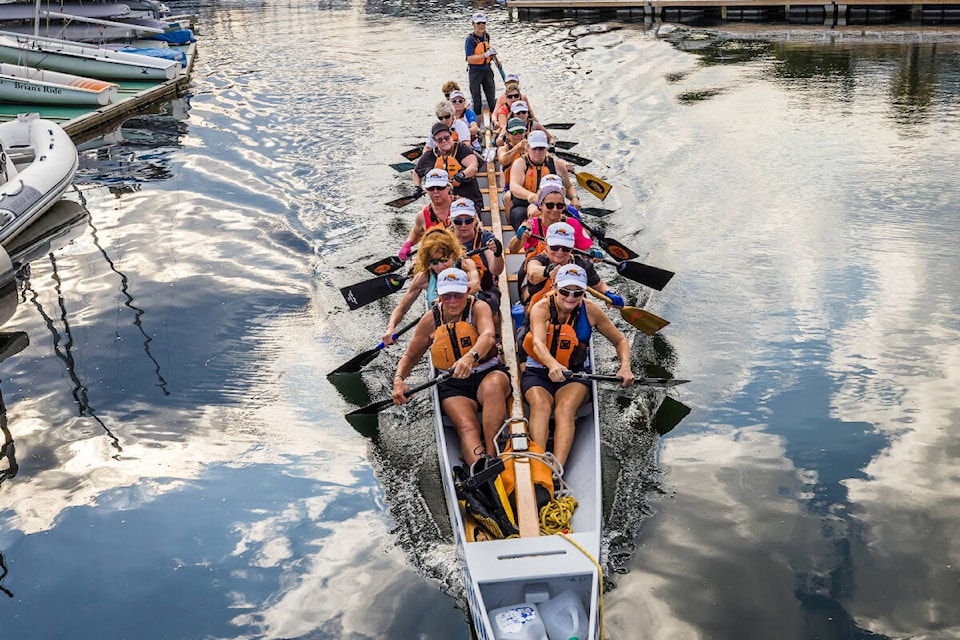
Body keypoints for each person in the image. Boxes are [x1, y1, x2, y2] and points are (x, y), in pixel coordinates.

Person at [392, 267, 511, 464]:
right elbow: (411, 356)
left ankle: (492, 456)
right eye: (447, 296)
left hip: (487, 372)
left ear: (467, 291)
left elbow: (488, 335)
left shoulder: (479, 308)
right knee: (467, 426)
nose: (453, 301)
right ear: (439, 295)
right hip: (452, 382)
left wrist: (469, 358)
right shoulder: (430, 320)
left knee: (492, 387)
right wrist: (398, 380)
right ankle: (479, 467)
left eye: (458, 295)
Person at [521, 263, 635, 466]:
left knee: (564, 408)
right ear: (555, 287)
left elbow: (620, 341)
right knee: (541, 405)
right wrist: (552, 364)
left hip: (574, 373)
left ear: (584, 292)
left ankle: (557, 468)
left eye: (577, 293)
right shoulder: (541, 308)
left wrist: (625, 366)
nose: (570, 298)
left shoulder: (592, 311)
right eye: (565, 291)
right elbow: (538, 342)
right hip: (539, 370)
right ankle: (538, 465)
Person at [383, 227, 480, 345]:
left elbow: (475, 285)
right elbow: (402, 308)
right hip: (441, 332)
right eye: (433, 262)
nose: (440, 267)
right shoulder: (424, 277)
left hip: (470, 326)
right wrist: (391, 327)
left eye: (444, 259)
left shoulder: (465, 265)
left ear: (453, 255)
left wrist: (444, 298)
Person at [522, 221, 621, 309]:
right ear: (546, 244)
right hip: (541, 314)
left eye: (565, 248)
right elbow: (532, 273)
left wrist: (608, 293)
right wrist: (548, 270)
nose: (560, 252)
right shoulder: (538, 260)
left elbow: (599, 285)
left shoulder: (581, 264)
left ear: (572, 247)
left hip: (572, 311)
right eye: (554, 247)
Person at [508, 130, 577, 228]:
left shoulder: (557, 165)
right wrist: (530, 196)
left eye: (541, 148)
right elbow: (514, 186)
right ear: (527, 148)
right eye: (534, 148)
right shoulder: (520, 163)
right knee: (519, 215)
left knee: (572, 215)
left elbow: (569, 186)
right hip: (525, 204)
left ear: (546, 149)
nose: (537, 152)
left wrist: (574, 198)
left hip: (552, 205)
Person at [448, 197, 504, 311]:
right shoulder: (443, 240)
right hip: (449, 287)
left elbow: (496, 270)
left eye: (468, 220)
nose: (463, 225)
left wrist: (498, 254)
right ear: (451, 221)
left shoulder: (486, 238)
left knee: (489, 305)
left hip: (484, 288)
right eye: (458, 221)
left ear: (475, 220)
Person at [509, 179, 593, 256]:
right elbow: (513, 250)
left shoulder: (573, 224)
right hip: (537, 266)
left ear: (564, 207)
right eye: (550, 205)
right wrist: (518, 238)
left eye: (559, 205)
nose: (555, 209)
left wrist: (591, 254)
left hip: (565, 268)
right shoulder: (531, 225)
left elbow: (586, 251)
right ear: (540, 205)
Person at [415, 121, 484, 214]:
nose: (444, 141)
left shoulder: (461, 149)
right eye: (439, 140)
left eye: (446, 138)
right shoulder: (429, 156)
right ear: (434, 142)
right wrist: (417, 187)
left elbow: (473, 166)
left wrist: (462, 175)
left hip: (467, 196)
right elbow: (416, 173)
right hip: (443, 202)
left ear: (451, 136)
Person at [398, 168, 454, 261]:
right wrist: (407, 244)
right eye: (431, 188)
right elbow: (416, 232)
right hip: (437, 260)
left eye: (440, 188)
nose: (435, 192)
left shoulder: (462, 207)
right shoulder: (422, 215)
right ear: (426, 190)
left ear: (448, 188)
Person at [465, 12, 496, 113]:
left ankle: (494, 119)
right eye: (478, 23)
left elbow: (486, 50)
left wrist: (493, 57)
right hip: (475, 72)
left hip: (487, 69)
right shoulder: (470, 39)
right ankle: (477, 118)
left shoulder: (487, 36)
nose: (481, 25)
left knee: (491, 96)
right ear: (473, 24)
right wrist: (485, 55)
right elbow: (470, 58)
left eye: (483, 23)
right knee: (476, 98)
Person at [496, 117, 528, 217]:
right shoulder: (503, 149)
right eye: (514, 133)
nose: (518, 135)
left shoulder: (531, 148)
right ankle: (509, 222)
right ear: (508, 135)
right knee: (507, 197)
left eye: (520, 131)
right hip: (511, 188)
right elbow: (503, 160)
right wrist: (517, 148)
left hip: (529, 186)